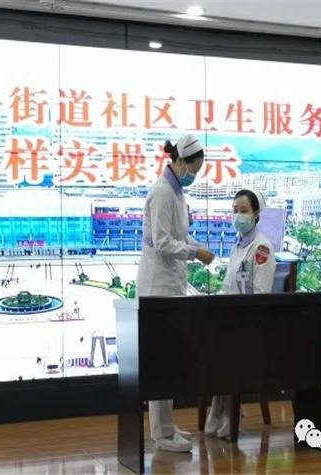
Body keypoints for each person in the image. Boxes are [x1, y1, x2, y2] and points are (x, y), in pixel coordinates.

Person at [136, 133, 215, 453]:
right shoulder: (162, 193)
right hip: (158, 285)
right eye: (193, 169)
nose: (194, 175)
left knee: (168, 359)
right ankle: (161, 434)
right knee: (161, 360)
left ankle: (166, 427)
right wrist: (194, 253)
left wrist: (197, 246)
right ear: (180, 161)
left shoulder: (177, 193)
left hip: (170, 284)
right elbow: (162, 242)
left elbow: (179, 235)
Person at [204, 189, 276, 439]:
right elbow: (228, 288)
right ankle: (222, 409)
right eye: (235, 210)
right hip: (232, 322)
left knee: (224, 351)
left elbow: (261, 294)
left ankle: (225, 412)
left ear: (256, 214)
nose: (238, 216)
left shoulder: (262, 248)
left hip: (252, 325)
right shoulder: (237, 246)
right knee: (212, 347)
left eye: (244, 210)